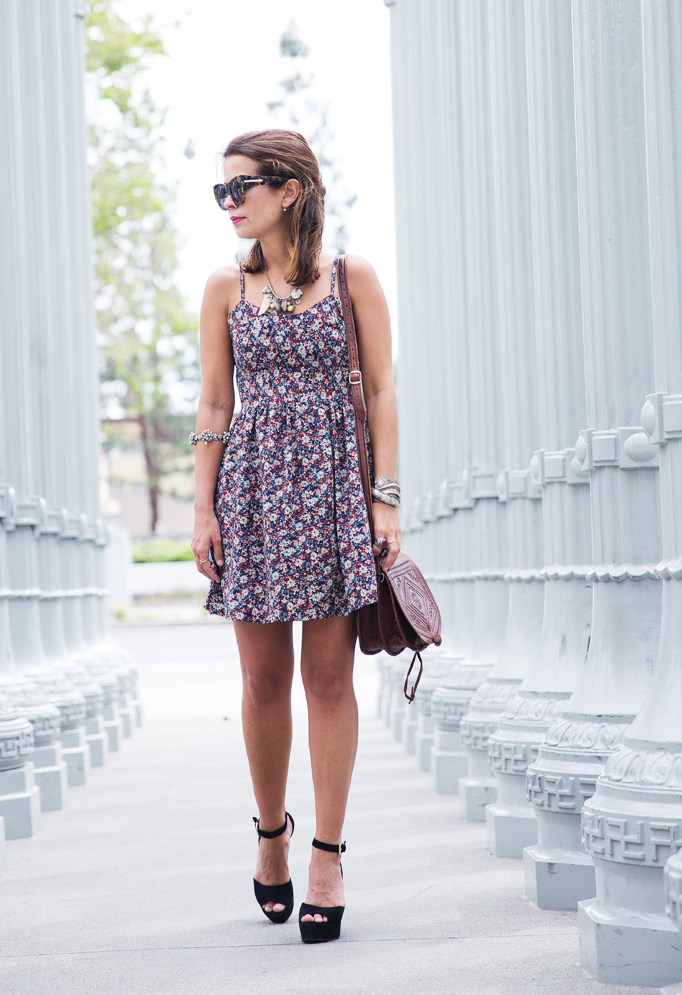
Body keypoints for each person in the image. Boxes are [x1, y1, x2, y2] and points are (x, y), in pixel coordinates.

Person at [190, 128, 400, 944]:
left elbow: (381, 391)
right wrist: (203, 510)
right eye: (223, 191)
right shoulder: (224, 288)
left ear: (291, 190)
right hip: (252, 493)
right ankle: (271, 835)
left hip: (335, 491)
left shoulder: (353, 279)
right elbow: (214, 405)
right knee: (263, 682)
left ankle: (326, 856)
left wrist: (385, 498)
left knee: (329, 679)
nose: (230, 203)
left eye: (241, 187)